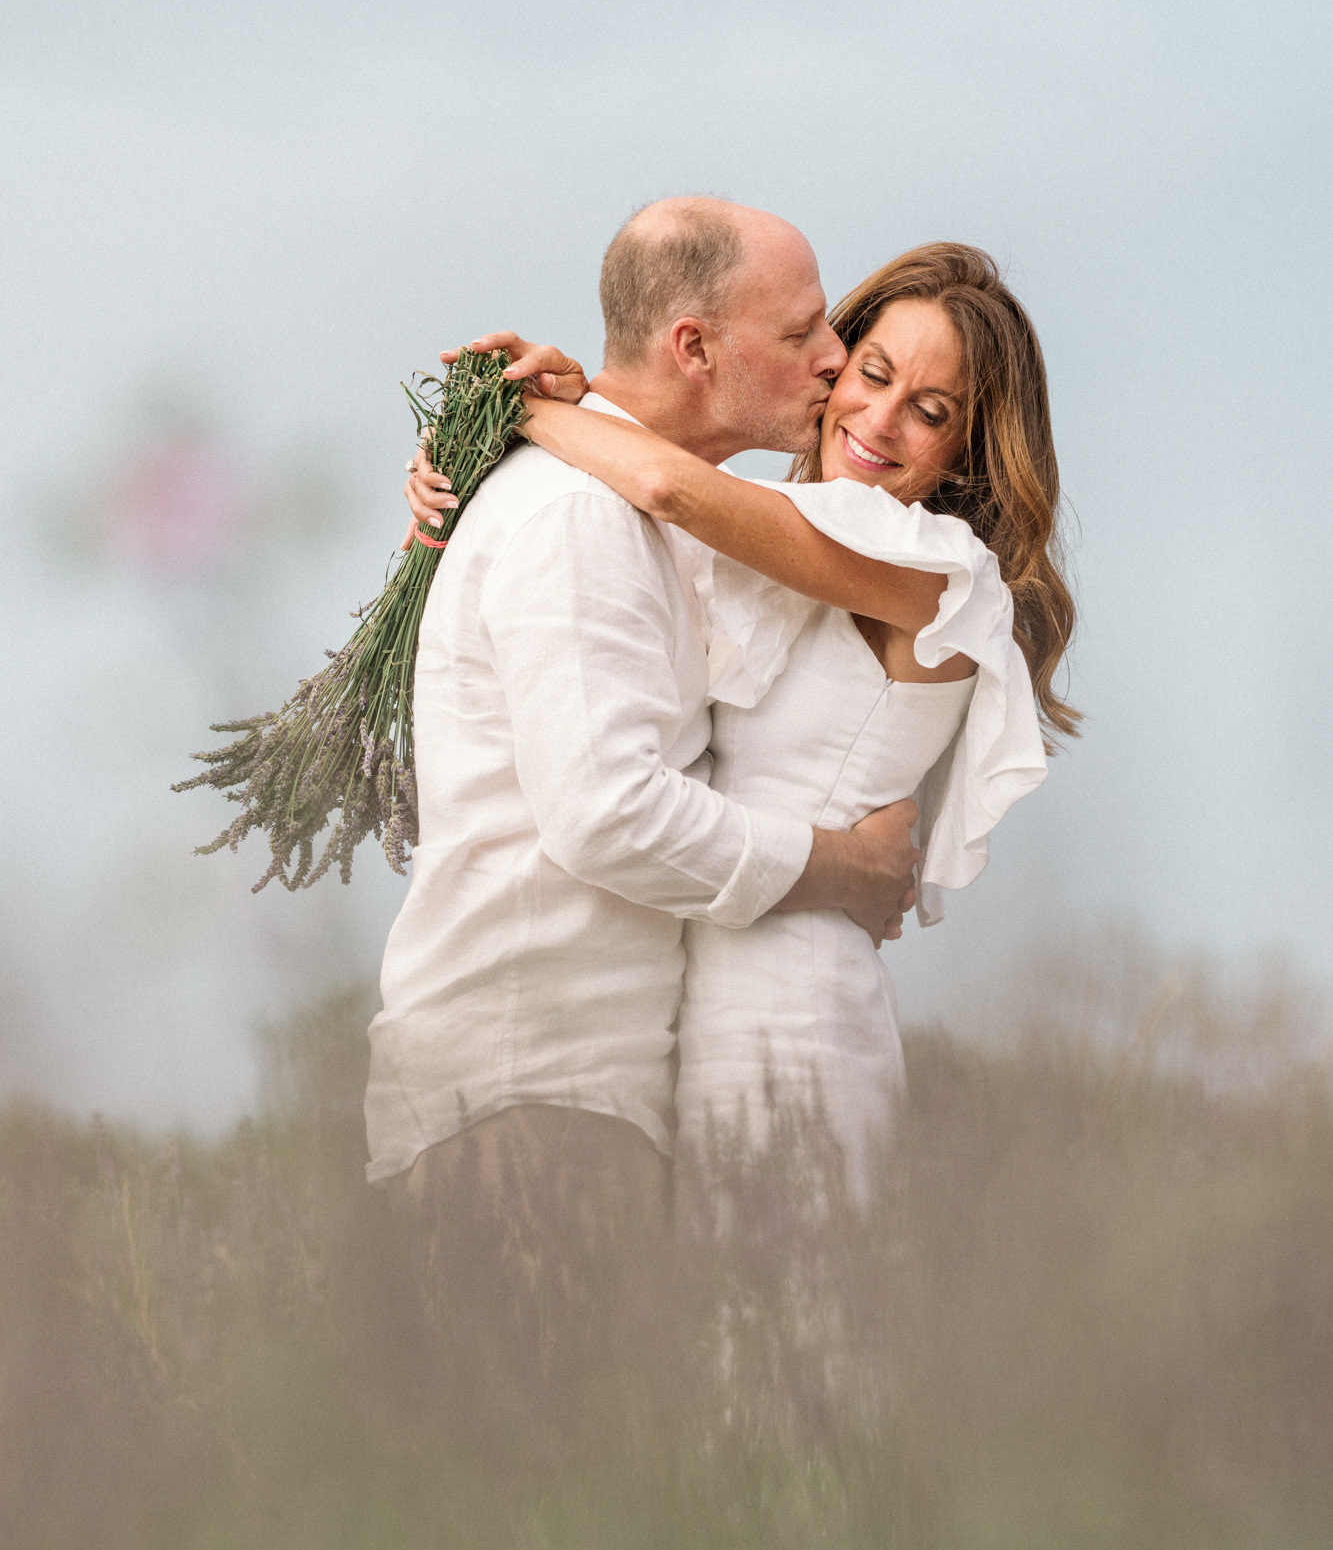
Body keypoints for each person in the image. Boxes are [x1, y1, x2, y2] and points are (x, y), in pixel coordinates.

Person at [407, 239, 1076, 1200]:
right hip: (696, 993)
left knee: (775, 1321)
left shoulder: (937, 575)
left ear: (968, 448)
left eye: (929, 414)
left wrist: (523, 410)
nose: (878, 420)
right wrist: (457, 465)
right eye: (870, 373)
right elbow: (656, 499)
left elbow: (667, 484)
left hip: (793, 998)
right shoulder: (782, 534)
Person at [368, 200, 928, 1257]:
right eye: (802, 329)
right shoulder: (579, 518)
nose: (833, 358)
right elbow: (604, 813)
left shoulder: (651, 520)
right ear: (694, 347)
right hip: (527, 1101)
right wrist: (839, 869)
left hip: (571, 1102)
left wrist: (546, 405)